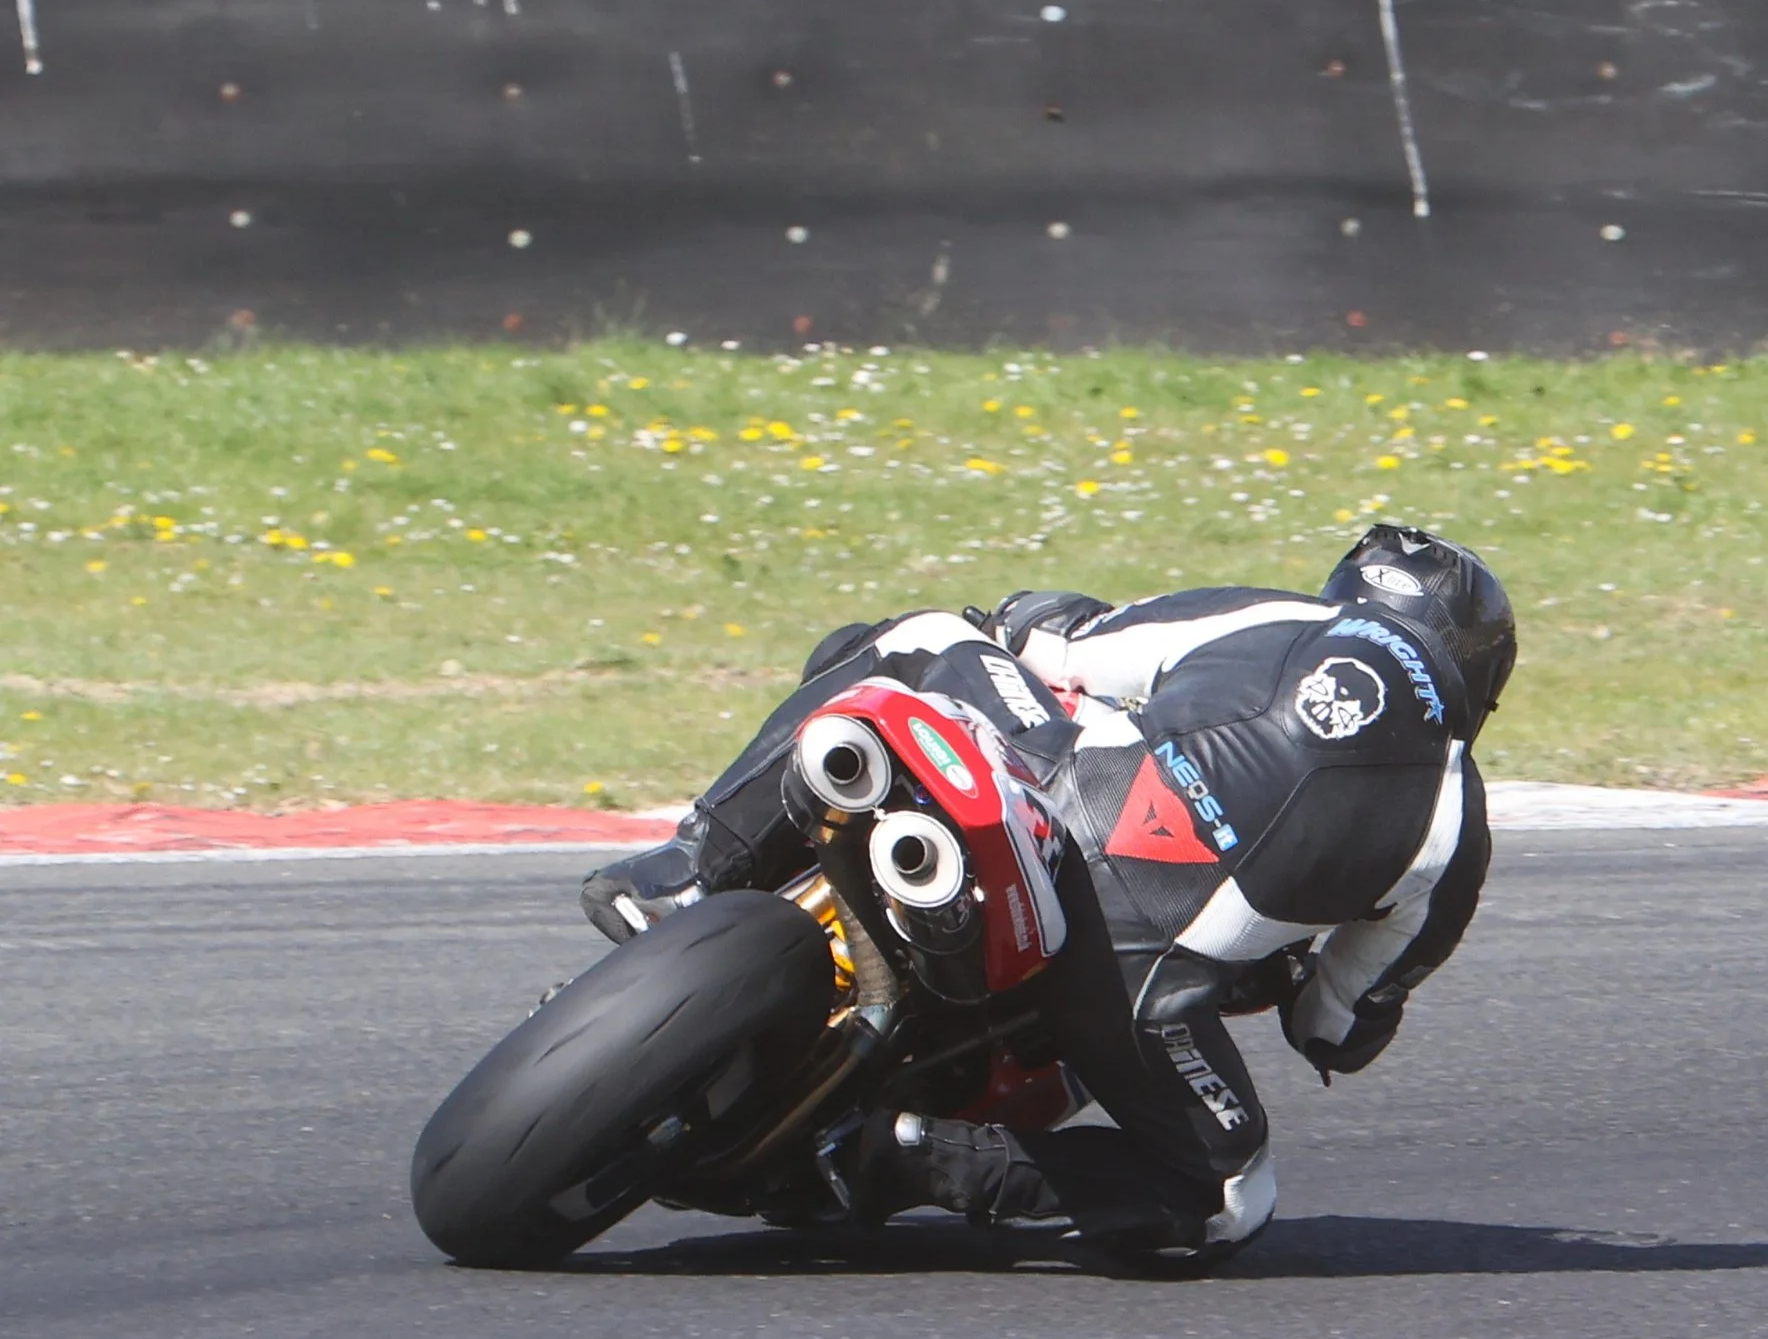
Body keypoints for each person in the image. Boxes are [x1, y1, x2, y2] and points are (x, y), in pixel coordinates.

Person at [581, 525, 1514, 1261]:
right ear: (1480, 676)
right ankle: (906, 1151)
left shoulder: (1273, 617)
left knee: (922, 640)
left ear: (1352, 588)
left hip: (1048, 800)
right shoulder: (1457, 820)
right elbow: (1333, 1033)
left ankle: (692, 870)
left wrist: (1038, 616)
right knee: (1225, 1201)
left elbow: (1054, 642)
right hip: (1134, 974)